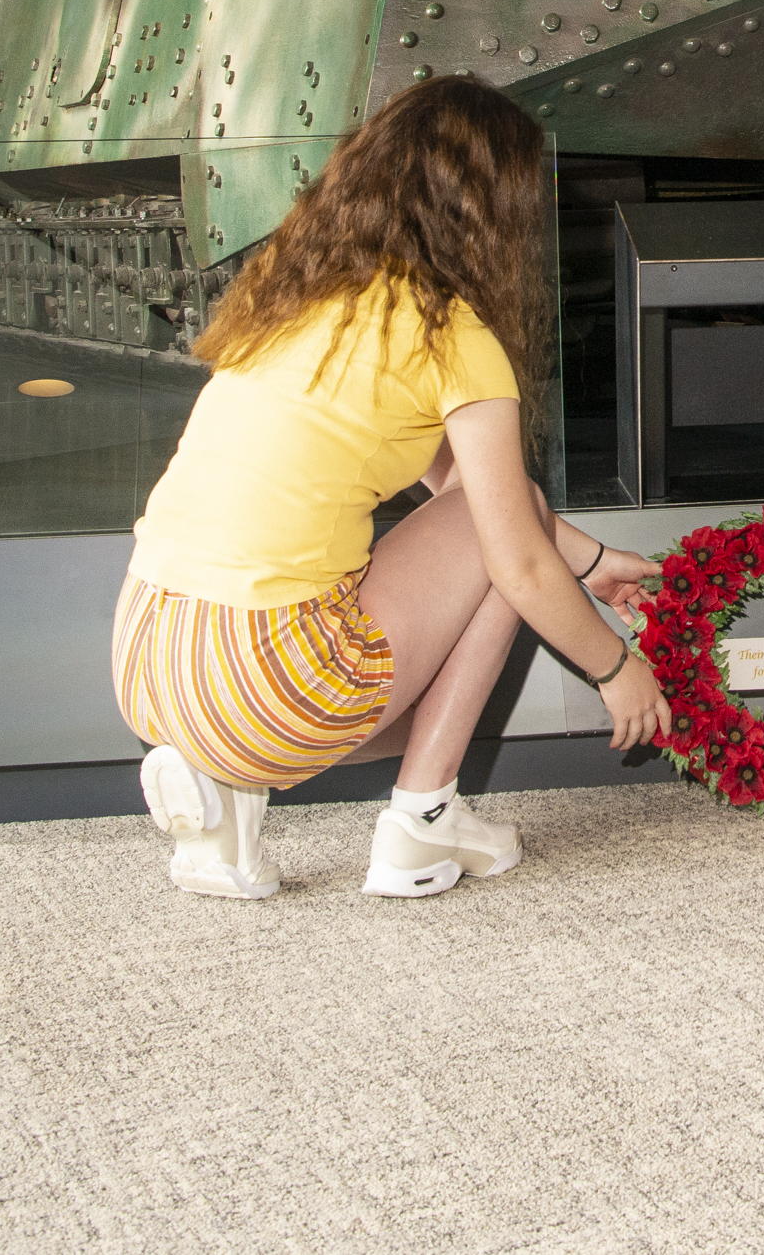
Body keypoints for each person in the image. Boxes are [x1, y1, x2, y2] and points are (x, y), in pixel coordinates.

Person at [111, 77, 671, 901]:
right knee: (496, 541)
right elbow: (509, 552)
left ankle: (224, 798)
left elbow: (451, 477)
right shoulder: (453, 334)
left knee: (495, 511)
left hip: (148, 655)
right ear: (491, 207)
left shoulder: (296, 292)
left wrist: (587, 561)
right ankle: (422, 821)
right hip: (271, 683)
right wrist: (616, 667)